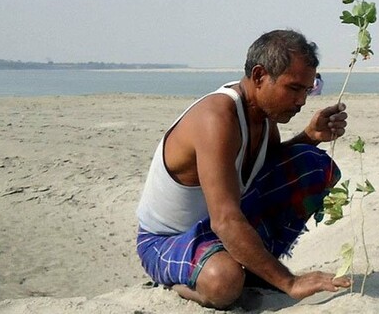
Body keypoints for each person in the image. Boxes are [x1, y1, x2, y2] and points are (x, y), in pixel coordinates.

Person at [136, 29, 350, 309]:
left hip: (215, 231)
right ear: (260, 76)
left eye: (307, 90)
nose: (302, 101)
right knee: (224, 281)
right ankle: (184, 284)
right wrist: (289, 282)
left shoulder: (262, 116)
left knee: (312, 165)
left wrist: (310, 137)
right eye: (294, 88)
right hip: (166, 240)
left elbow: (265, 171)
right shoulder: (217, 118)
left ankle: (253, 269)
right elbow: (225, 220)